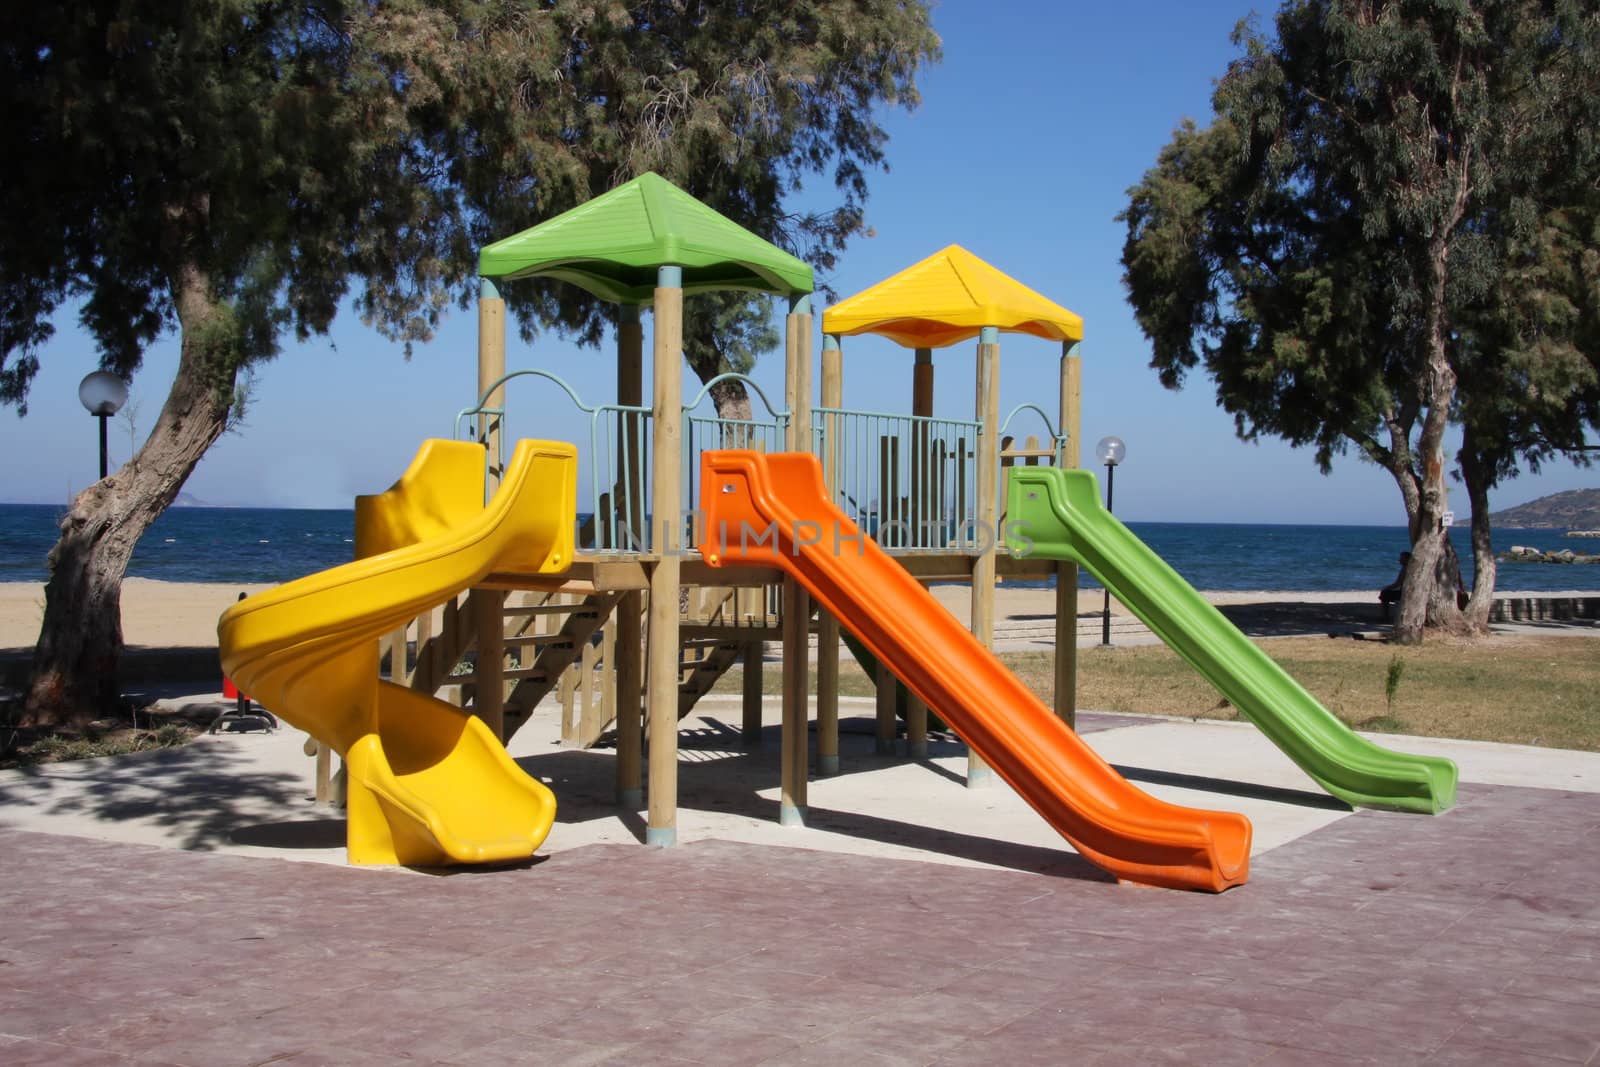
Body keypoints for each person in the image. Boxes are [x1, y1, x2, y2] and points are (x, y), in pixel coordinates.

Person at [1378, 551, 1409, 621]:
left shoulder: (1405, 568)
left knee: (1384, 594)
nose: (1399, 560)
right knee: (1385, 593)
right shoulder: (1407, 568)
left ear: (1407, 559)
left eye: (1402, 558)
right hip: (1405, 591)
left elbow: (1398, 583)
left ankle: (1385, 616)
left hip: (1404, 593)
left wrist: (1386, 588)